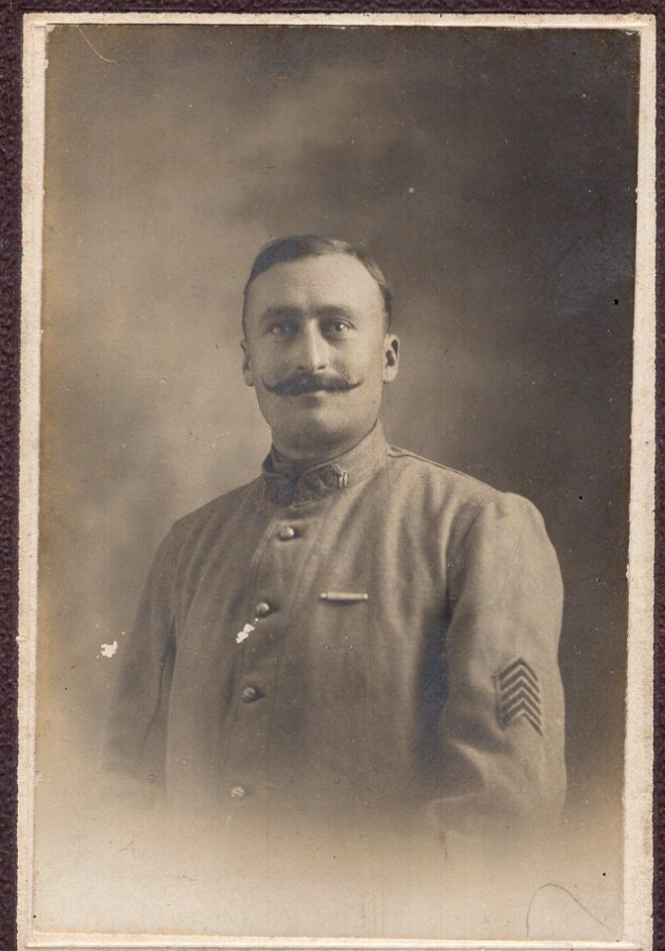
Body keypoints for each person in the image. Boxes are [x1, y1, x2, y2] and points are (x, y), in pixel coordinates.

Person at [105, 235, 566, 842]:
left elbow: (506, 812)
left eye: (338, 326)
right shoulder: (188, 547)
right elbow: (122, 784)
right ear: (248, 362)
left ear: (389, 355)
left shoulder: (478, 526)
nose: (309, 358)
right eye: (280, 329)